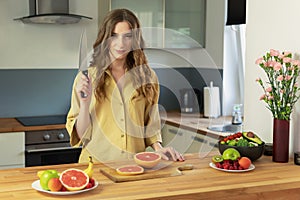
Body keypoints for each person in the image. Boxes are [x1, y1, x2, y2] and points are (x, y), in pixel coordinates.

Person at [66, 8, 184, 163]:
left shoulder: (147, 77)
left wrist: (158, 148)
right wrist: (85, 103)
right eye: (114, 36)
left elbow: (151, 124)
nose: (120, 44)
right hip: (95, 166)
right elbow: (80, 135)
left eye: (127, 36)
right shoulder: (86, 78)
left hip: (134, 166)